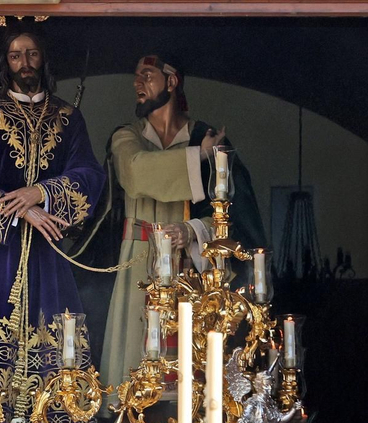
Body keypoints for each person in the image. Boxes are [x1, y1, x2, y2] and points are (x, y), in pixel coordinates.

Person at [0, 26, 105, 414]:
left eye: (32, 54)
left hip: (46, 256)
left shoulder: (67, 117)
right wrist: (24, 208)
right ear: (6, 63)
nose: (25, 63)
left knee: (55, 349)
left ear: (43, 59)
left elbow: (89, 174)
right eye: (16, 55)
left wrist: (44, 192)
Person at [98, 53, 265, 383]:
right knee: (133, 364)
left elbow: (233, 210)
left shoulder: (206, 135)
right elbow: (135, 172)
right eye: (137, 76)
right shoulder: (126, 137)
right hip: (136, 261)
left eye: (147, 75)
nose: (138, 83)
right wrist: (198, 155)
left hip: (189, 268)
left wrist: (191, 230)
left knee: (189, 370)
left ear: (171, 82)